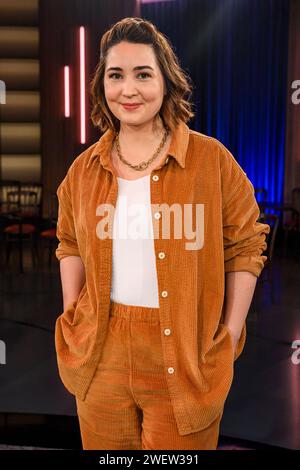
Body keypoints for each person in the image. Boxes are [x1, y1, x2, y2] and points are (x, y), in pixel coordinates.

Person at [55, 17, 270, 450]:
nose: (128, 89)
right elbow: (70, 243)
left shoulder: (212, 161)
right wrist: (73, 312)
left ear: (166, 81)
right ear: (102, 86)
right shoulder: (82, 171)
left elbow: (246, 246)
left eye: (143, 74)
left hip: (184, 358)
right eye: (115, 75)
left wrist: (228, 336)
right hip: (101, 353)